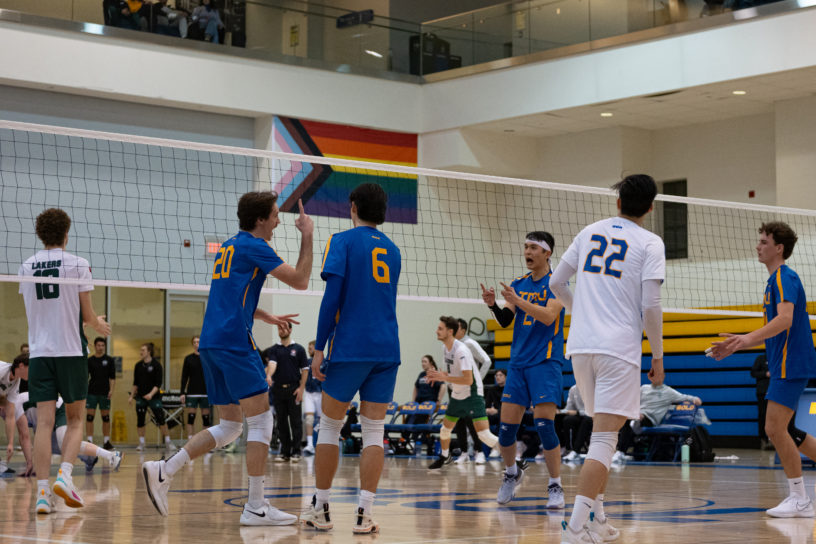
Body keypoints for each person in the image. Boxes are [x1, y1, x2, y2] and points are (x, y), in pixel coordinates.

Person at [142, 191, 312, 527]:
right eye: (276, 214)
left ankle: (165, 469)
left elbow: (230, 295)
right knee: (263, 421)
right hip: (235, 343)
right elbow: (301, 280)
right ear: (261, 219)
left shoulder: (230, 246)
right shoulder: (255, 246)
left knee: (232, 425)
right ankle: (256, 506)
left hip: (211, 342)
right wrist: (307, 235)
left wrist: (264, 316)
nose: (279, 220)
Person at [550, 174, 665, 543]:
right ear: (650, 207)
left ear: (618, 202)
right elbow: (650, 304)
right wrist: (659, 354)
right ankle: (575, 529)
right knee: (604, 440)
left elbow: (555, 284)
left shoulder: (590, 231)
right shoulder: (650, 242)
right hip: (617, 349)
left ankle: (597, 518)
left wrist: (580, 311)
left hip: (580, 347)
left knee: (605, 438)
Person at [300, 183, 401, 535]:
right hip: (387, 349)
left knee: (329, 426)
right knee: (374, 430)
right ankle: (364, 514)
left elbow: (332, 300)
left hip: (351, 347)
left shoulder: (341, 241)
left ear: (353, 206)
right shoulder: (393, 249)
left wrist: (318, 348)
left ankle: (322, 509)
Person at [708, 221, 816, 518]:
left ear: (778, 248)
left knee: (774, 428)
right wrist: (736, 345)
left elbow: (785, 320)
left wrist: (745, 338)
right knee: (789, 430)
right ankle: (799, 498)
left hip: (790, 363)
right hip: (787, 362)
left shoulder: (784, 277)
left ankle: (799, 498)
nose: (758, 246)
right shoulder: (773, 281)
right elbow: (775, 329)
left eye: (764, 242)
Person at [18, 208, 111, 514]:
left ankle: (43, 495)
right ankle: (66, 476)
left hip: (40, 354)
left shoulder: (26, 266)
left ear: (40, 234)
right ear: (66, 233)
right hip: (71, 352)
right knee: (74, 421)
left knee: (43, 424)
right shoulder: (78, 264)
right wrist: (98, 324)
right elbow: (85, 315)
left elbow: (41, 312)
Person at [481, 230, 566, 508]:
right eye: (526, 247)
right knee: (506, 431)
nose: (527, 252)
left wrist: (519, 301)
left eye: (533, 248)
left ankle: (555, 486)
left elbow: (548, 316)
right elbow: (506, 320)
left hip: (545, 362)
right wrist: (494, 304)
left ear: (546, 253)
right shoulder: (519, 283)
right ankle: (511, 474)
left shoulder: (557, 284)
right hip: (518, 364)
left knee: (544, 425)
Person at [425, 316, 498, 471]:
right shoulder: (445, 347)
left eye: (440, 328)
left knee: (484, 434)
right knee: (445, 430)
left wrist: (444, 377)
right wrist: (436, 375)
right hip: (457, 393)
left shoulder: (462, 350)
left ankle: (515, 459)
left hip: (472, 394)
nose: (436, 331)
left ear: (450, 331)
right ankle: (445, 456)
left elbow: (468, 380)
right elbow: (448, 371)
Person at [19, 390, 122, 475]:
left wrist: (30, 464)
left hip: (58, 410)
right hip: (47, 417)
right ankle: (90, 458)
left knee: (65, 444)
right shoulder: (16, 406)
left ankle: (111, 455)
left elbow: (25, 437)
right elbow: (37, 438)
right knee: (54, 447)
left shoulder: (14, 406)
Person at [616, 380, 701, 459]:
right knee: (627, 421)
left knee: (633, 422)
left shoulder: (668, 391)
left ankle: (624, 447)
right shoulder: (644, 388)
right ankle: (622, 450)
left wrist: (695, 399)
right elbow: (632, 399)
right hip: (637, 415)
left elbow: (684, 397)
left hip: (651, 420)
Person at [263, 323, 308, 463]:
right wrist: (269, 376)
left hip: (294, 389)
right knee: (281, 422)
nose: (281, 331)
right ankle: (285, 452)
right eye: (279, 328)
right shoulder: (274, 349)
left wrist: (301, 388)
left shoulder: (299, 349)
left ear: (290, 329)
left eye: (284, 328)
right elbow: (272, 364)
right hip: (278, 390)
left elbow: (305, 370)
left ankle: (296, 451)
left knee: (295, 421)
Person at [453, 317, 492, 464]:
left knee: (472, 421)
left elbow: (487, 361)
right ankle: (464, 452)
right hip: (458, 389)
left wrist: (477, 380)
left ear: (462, 330)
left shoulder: (469, 343)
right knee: (460, 422)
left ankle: (479, 451)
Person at [129, 343, 174, 453]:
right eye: (140, 350)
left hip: (154, 397)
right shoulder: (138, 365)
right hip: (141, 397)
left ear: (149, 351)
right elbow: (135, 383)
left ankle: (168, 442)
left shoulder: (157, 365)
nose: (141, 352)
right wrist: (131, 396)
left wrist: (151, 394)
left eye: (143, 350)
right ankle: (141, 443)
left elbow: (158, 384)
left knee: (160, 419)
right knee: (140, 420)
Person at [404, 355, 446, 454]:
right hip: (418, 404)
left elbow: (443, 387)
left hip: (428, 404)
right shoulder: (421, 374)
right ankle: (405, 441)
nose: (422, 363)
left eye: (425, 361)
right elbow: (416, 387)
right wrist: (413, 401)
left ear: (431, 363)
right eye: (422, 361)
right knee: (408, 420)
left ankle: (414, 440)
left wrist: (438, 400)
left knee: (419, 420)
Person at [0, 354, 32, 475]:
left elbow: (10, 416)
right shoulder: (2, 370)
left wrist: (10, 443)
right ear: (21, 366)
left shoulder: (16, 383)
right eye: (31, 368)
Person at [86, 337, 116, 450]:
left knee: (106, 417)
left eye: (102, 345)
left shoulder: (109, 360)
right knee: (89, 417)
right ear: (95, 346)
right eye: (98, 345)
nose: (101, 347)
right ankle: (89, 440)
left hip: (105, 393)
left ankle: (106, 441)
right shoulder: (90, 361)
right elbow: (85, 377)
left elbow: (112, 378)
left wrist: (111, 390)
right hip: (92, 392)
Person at [181, 336, 210, 439]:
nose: (196, 344)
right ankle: (190, 439)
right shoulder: (188, 359)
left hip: (205, 392)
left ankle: (205, 440)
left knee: (206, 418)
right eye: (194, 342)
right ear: (192, 344)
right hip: (192, 392)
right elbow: (184, 376)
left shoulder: (207, 357)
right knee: (191, 417)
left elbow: (212, 375)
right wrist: (182, 392)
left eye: (198, 342)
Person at [561, 385, 592, 461]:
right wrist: (558, 411)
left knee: (587, 420)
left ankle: (576, 451)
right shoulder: (573, 389)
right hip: (580, 415)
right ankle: (568, 449)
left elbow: (594, 411)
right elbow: (569, 408)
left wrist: (578, 412)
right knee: (567, 419)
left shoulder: (595, 388)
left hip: (593, 416)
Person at [303, 340, 322, 456]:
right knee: (309, 419)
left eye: (310, 348)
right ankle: (310, 445)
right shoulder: (307, 362)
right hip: (309, 393)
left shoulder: (323, 362)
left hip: (320, 394)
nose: (308, 350)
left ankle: (320, 443)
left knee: (322, 421)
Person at [751, 352, 771, 449]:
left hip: (776, 391)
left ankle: (774, 440)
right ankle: (763, 439)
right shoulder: (761, 358)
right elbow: (753, 373)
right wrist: (765, 374)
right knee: (763, 415)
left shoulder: (781, 357)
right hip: (763, 391)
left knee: (775, 416)